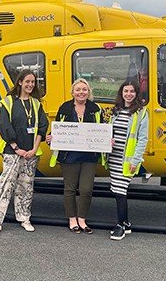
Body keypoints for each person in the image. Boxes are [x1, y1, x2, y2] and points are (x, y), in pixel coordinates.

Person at [0, 69, 48, 235]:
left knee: (26, 186)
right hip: (12, 151)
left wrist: (34, 149)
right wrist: (16, 148)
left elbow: (42, 127)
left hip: (31, 152)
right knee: (5, 185)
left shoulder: (36, 103)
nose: (30, 85)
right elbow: (4, 126)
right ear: (20, 82)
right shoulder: (8, 102)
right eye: (27, 81)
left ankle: (24, 218)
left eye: (33, 82)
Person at [46, 78, 103, 234]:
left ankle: (82, 219)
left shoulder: (96, 109)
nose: (81, 92)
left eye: (84, 89)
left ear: (88, 92)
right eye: (78, 89)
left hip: (90, 156)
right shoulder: (64, 108)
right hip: (69, 156)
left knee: (86, 189)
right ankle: (72, 219)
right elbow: (57, 128)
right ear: (73, 92)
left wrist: (107, 140)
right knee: (70, 188)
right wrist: (50, 137)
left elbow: (102, 128)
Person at [107, 80, 148, 241]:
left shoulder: (141, 113)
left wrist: (135, 160)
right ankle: (127, 223)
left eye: (132, 91)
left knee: (120, 191)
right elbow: (111, 130)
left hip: (128, 160)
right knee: (116, 189)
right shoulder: (116, 111)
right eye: (126, 91)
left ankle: (120, 226)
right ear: (121, 93)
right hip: (114, 157)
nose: (128, 94)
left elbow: (142, 139)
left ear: (136, 94)